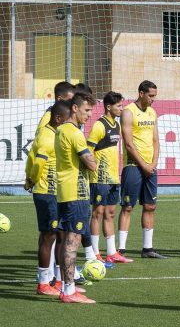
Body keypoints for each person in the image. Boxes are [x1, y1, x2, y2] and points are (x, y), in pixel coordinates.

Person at [55, 93, 99, 304]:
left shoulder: (61, 129)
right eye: (87, 110)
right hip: (76, 193)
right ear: (74, 108)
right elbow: (91, 164)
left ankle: (67, 286)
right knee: (73, 241)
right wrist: (93, 158)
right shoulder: (74, 133)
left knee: (66, 240)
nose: (89, 115)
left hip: (66, 191)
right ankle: (68, 291)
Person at [26, 101, 68, 296]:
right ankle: (43, 284)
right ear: (58, 119)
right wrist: (32, 179)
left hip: (56, 193)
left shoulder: (55, 134)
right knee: (48, 235)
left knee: (59, 234)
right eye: (67, 120)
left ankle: (57, 281)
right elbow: (37, 161)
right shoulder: (47, 137)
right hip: (46, 192)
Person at [118, 80, 164, 259]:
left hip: (150, 167)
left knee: (150, 206)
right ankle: (120, 250)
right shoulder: (128, 112)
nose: (153, 99)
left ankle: (147, 248)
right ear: (141, 93)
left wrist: (152, 164)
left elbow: (155, 140)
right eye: (151, 95)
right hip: (133, 166)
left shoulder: (152, 112)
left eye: (155, 96)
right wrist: (144, 165)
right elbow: (128, 144)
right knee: (128, 207)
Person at [87, 92, 124, 266]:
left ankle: (111, 252)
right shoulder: (99, 126)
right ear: (109, 107)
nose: (121, 108)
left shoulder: (116, 125)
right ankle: (95, 252)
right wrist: (93, 170)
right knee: (98, 213)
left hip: (113, 177)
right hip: (100, 177)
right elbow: (88, 150)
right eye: (118, 106)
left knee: (110, 213)